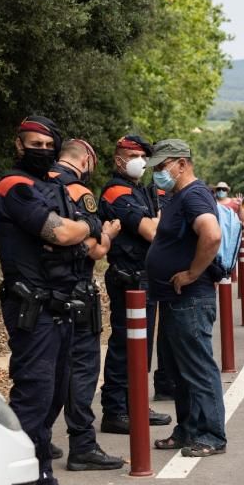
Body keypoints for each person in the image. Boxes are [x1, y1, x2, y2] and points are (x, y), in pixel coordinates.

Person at [0, 116, 111, 485]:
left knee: (56, 394)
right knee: (34, 397)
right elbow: (59, 234)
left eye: (47, 143)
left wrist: (83, 227)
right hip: (32, 308)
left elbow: (87, 241)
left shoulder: (55, 188)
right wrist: (88, 224)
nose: (40, 148)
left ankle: (42, 477)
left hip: (61, 306)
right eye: (32, 142)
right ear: (18, 144)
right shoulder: (14, 187)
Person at [145, 139, 227, 457]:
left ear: (181, 163)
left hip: (190, 297)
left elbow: (212, 234)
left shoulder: (193, 196)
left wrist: (192, 273)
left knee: (197, 367)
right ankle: (188, 429)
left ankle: (211, 434)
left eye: (163, 167)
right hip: (174, 298)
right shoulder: (178, 196)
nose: (158, 174)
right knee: (180, 370)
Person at [47, 139, 125, 472]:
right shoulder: (79, 193)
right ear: (87, 159)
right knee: (81, 368)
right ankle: (82, 444)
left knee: (47, 370)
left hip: (43, 292)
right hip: (77, 291)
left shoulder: (38, 186)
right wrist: (107, 234)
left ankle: (35, 437)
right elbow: (95, 249)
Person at [98, 135, 174, 432]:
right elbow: (152, 231)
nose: (141, 161)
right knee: (124, 346)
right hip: (129, 278)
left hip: (142, 276)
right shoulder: (118, 192)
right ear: (119, 159)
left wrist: (156, 221)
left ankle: (135, 405)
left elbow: (157, 224)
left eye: (143, 156)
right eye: (134, 155)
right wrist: (156, 222)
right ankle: (116, 410)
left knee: (141, 346)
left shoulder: (137, 189)